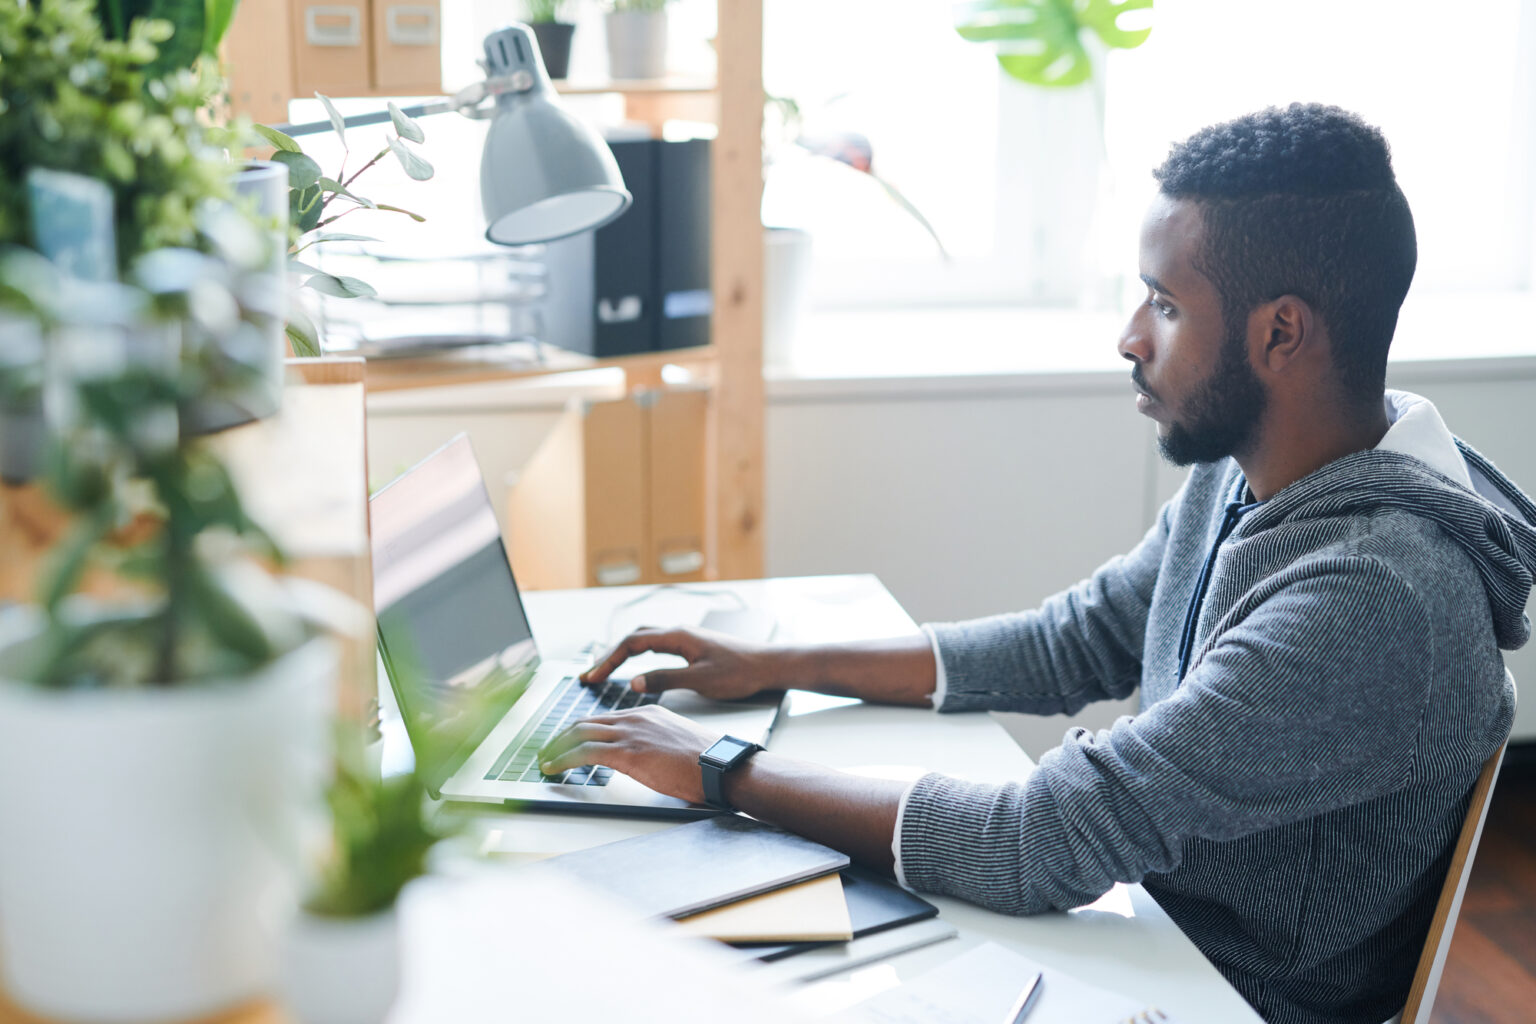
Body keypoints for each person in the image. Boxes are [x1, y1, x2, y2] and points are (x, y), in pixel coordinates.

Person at [538, 104, 1532, 1024]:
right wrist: (779, 662)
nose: (1130, 337)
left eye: (1165, 305)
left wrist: (718, 769)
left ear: (1280, 332)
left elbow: (1042, 842)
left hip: (1212, 997)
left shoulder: (1372, 595)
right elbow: (1077, 641)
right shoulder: (1266, 470)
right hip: (1143, 939)